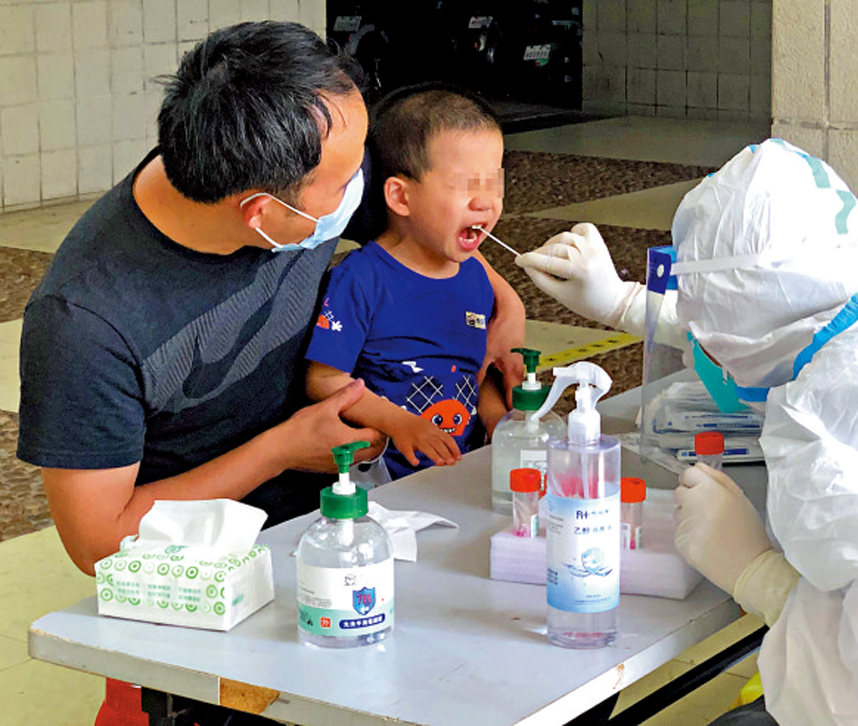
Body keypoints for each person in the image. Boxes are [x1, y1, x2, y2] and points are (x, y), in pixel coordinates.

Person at [17, 21, 525, 580]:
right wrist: (279, 450)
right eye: (346, 180)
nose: (364, 180)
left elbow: (423, 219)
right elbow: (98, 542)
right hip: (213, 565)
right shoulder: (86, 324)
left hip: (352, 516)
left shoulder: (304, 157)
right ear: (259, 215)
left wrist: (506, 301)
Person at [516, 139, 858, 725]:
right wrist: (625, 305)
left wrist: (759, 576)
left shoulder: (824, 424)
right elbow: (771, 321)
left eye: (708, 328)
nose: (706, 347)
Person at [304, 86, 510, 481]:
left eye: (493, 185)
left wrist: (500, 421)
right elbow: (323, 379)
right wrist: (399, 423)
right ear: (401, 197)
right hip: (379, 487)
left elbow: (473, 373)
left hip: (454, 477)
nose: (485, 204)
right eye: (466, 185)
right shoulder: (361, 279)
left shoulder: (476, 278)